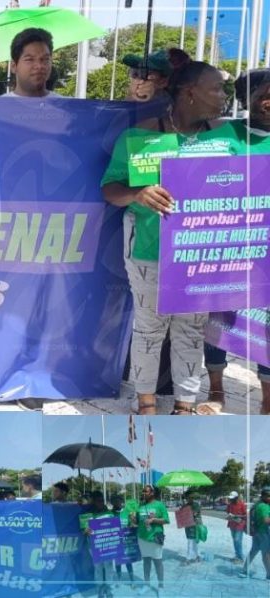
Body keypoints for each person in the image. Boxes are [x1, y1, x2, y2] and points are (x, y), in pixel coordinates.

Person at [101, 57, 232, 415]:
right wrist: (137, 194)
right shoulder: (140, 136)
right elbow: (110, 188)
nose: (223, 95)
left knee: (191, 330)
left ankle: (185, 404)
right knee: (149, 328)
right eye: (216, 88)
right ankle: (145, 402)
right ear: (190, 93)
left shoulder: (228, 137)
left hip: (200, 254)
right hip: (147, 249)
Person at [205, 68, 270, 416]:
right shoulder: (223, 134)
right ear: (246, 100)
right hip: (225, 245)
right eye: (262, 93)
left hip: (268, 253)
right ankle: (216, 390)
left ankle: (267, 399)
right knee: (219, 320)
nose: (268, 100)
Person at [80, 491, 115, 598]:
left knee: (109, 567)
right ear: (93, 501)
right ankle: (99, 588)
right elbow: (83, 531)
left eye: (102, 500)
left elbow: (115, 529)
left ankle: (109, 588)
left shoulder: (110, 513)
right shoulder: (86, 514)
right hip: (93, 546)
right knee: (98, 567)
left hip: (108, 546)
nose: (101, 502)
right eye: (98, 500)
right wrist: (86, 530)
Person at [135, 485, 169, 590]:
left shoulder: (159, 505)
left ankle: (161, 585)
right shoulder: (140, 506)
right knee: (146, 561)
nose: (143, 493)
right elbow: (136, 521)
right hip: (142, 538)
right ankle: (146, 584)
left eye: (146, 491)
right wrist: (132, 519)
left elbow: (166, 520)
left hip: (155, 537)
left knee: (158, 562)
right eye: (143, 491)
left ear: (152, 493)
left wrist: (153, 520)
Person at [240, 487, 270, 579]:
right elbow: (266, 520)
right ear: (264, 496)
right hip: (263, 532)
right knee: (266, 554)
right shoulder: (263, 506)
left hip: (257, 532)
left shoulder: (258, 504)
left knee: (254, 550)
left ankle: (245, 569)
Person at [109, 495, 135, 583]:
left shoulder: (127, 512)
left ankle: (132, 580)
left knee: (128, 561)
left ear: (122, 501)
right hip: (116, 542)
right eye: (115, 501)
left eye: (119, 500)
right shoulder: (110, 514)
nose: (118, 503)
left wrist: (132, 522)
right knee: (118, 562)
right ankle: (119, 578)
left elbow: (133, 525)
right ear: (112, 503)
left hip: (127, 541)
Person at [182, 490, 203, 564]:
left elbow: (195, 513)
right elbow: (181, 516)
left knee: (192, 541)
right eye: (187, 497)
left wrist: (188, 511)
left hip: (195, 525)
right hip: (188, 526)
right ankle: (197, 556)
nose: (189, 499)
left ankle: (189, 558)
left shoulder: (196, 505)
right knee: (192, 541)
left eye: (190, 497)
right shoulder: (185, 505)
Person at [227, 491, 248, 564]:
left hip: (239, 525)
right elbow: (228, 513)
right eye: (231, 498)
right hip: (232, 525)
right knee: (235, 541)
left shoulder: (241, 504)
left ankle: (240, 557)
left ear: (236, 498)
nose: (231, 500)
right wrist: (229, 516)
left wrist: (237, 516)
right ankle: (237, 555)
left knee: (237, 540)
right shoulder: (230, 505)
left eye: (232, 498)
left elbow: (245, 515)